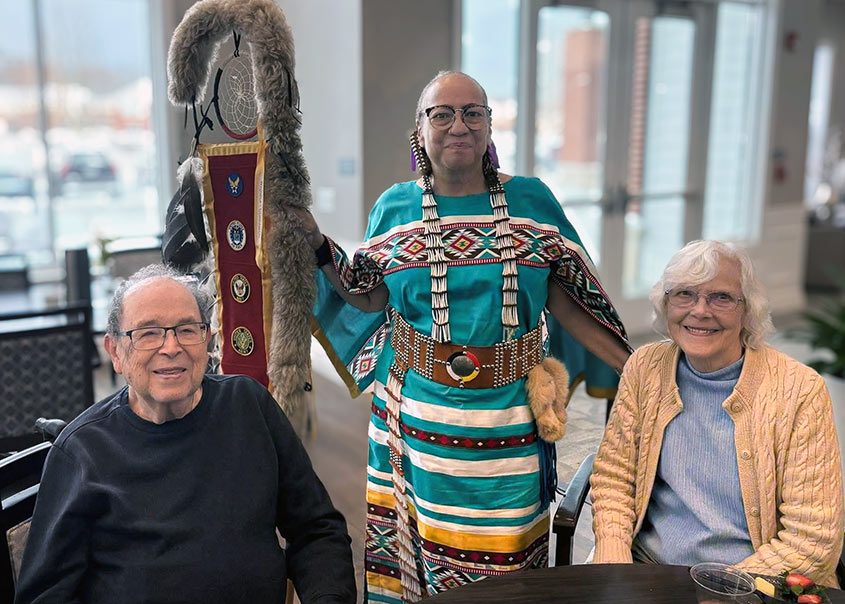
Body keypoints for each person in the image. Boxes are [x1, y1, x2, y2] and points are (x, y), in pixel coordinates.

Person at [297, 71, 631, 602]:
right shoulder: (396, 207)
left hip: (510, 424)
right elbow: (367, 294)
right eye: (443, 113)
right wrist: (315, 244)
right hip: (414, 423)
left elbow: (568, 298)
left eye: (473, 112)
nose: (459, 125)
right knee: (421, 560)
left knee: (509, 565)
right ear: (420, 129)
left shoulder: (531, 202)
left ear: (490, 127)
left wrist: (637, 365)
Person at [15, 265, 356, 604]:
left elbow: (317, 530)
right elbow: (44, 595)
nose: (171, 346)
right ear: (115, 352)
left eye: (186, 329)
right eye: (148, 333)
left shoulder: (248, 406)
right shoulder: (82, 451)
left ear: (206, 339)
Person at [590, 240, 843, 586]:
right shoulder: (644, 368)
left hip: (754, 582)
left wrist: (725, 587)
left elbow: (813, 539)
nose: (700, 311)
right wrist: (614, 554)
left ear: (747, 310)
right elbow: (614, 476)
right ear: (666, 304)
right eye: (684, 295)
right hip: (649, 568)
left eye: (721, 297)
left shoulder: (800, 390)